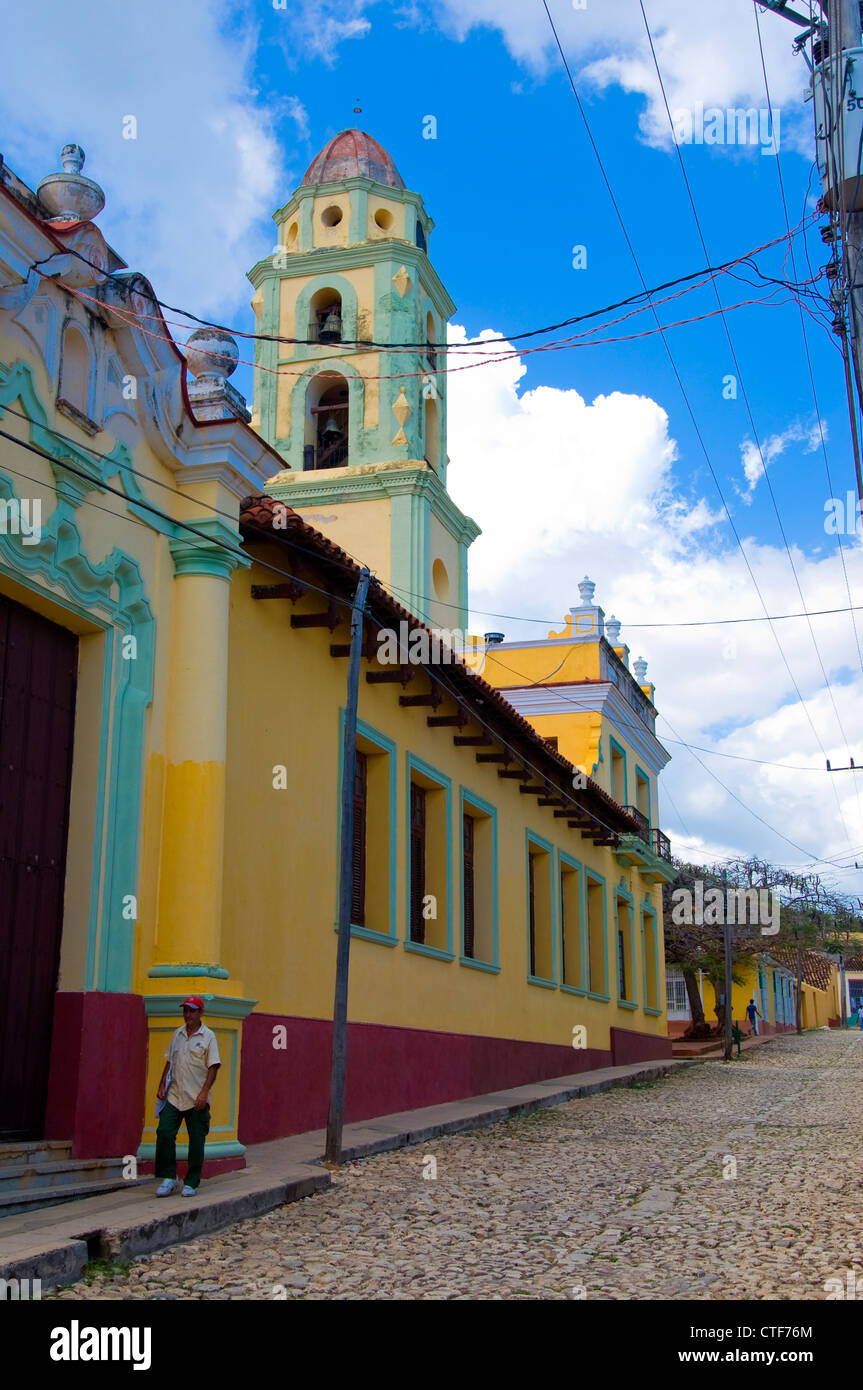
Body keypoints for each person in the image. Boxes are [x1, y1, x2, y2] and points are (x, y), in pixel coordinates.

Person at [154, 996, 220, 1197]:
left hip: (196, 1098)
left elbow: (213, 1066)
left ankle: (191, 1181)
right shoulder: (178, 1034)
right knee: (164, 1132)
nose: (187, 1015)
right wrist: (161, 1084)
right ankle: (169, 1176)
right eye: (185, 1011)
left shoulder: (208, 1036)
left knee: (196, 1140)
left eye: (192, 1011)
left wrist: (204, 1092)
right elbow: (169, 1060)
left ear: (200, 1013)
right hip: (175, 1095)